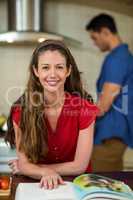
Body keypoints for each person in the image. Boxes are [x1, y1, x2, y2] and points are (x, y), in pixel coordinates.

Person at [5, 39, 98, 189]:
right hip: (36, 186)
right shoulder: (21, 111)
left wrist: (37, 169)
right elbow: (24, 163)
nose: (52, 74)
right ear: (36, 71)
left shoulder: (84, 109)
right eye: (46, 67)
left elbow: (79, 166)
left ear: (68, 71)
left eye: (59, 67)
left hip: (78, 187)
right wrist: (34, 169)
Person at [85, 13, 133, 171]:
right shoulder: (122, 56)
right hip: (113, 133)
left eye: (94, 37)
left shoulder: (117, 59)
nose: (94, 43)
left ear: (105, 31)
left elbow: (105, 103)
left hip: (111, 134)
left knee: (99, 182)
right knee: (114, 181)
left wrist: (79, 115)